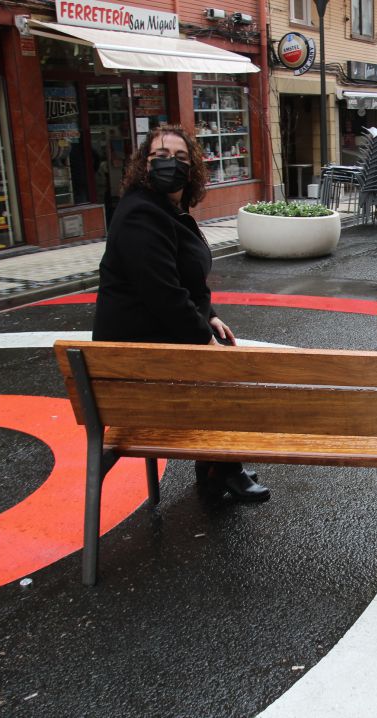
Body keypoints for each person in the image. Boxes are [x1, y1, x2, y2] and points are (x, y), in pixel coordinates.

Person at [92, 125, 270, 502]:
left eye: (179, 158)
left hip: (149, 350)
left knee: (221, 349)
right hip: (139, 362)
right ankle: (225, 468)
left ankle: (217, 464)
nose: (168, 164)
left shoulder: (167, 210)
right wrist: (204, 338)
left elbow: (183, 280)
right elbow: (164, 294)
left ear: (192, 169)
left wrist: (210, 316)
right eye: (159, 157)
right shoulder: (142, 214)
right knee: (225, 370)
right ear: (144, 165)